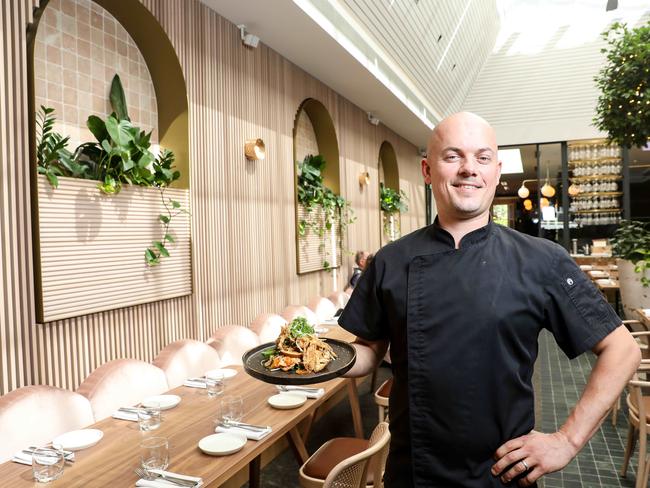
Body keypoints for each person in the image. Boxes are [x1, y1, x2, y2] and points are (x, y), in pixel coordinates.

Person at [338, 112, 640, 487]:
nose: (469, 169)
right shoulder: (391, 260)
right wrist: (314, 361)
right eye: (452, 156)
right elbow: (368, 350)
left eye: (482, 158)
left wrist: (567, 439)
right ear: (428, 170)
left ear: (496, 171)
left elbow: (623, 350)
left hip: (500, 474)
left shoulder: (540, 260)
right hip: (412, 472)